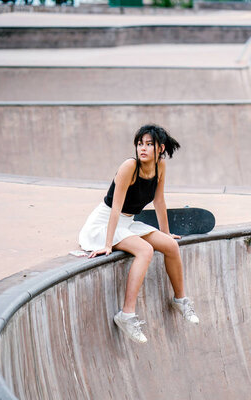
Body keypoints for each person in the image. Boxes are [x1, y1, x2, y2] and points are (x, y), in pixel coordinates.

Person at [78, 124, 199, 344]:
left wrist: (166, 233)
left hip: (129, 223)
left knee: (171, 246)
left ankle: (180, 300)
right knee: (145, 250)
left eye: (149, 144)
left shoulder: (160, 167)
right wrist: (108, 243)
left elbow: (159, 200)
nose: (142, 148)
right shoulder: (129, 167)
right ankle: (127, 315)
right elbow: (115, 208)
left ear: (160, 148)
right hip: (104, 223)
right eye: (140, 143)